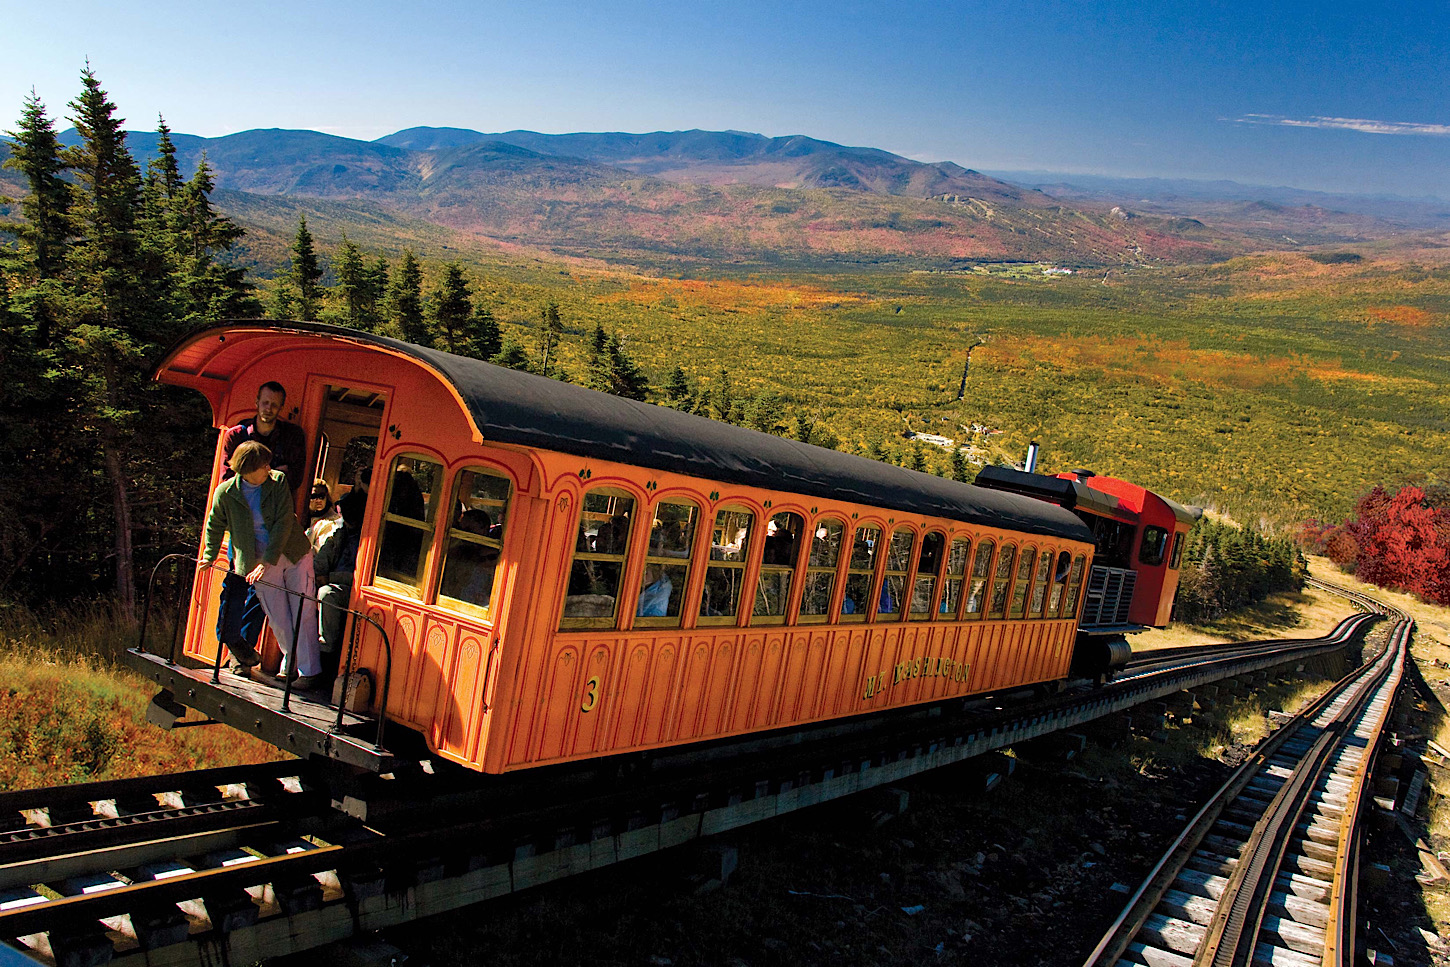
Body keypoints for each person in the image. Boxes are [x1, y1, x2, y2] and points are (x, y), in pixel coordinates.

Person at [203, 441, 323, 690]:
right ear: (247, 468)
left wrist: (267, 561)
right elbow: (214, 525)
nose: (269, 467)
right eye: (263, 464)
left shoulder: (277, 481)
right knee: (278, 617)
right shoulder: (225, 493)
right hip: (257, 562)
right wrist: (209, 555)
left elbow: (283, 523)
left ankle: (309, 672)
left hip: (293, 554)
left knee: (303, 609)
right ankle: (290, 666)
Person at [214, 381, 309, 668]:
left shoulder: (292, 437)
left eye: (275, 405)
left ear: (281, 407)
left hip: (274, 528)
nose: (269, 409)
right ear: (257, 401)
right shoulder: (237, 434)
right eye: (265, 403)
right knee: (235, 584)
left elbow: (296, 479)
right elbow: (226, 479)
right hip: (242, 527)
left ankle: (242, 653)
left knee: (261, 589)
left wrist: (266, 477)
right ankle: (232, 641)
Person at [314, 490, 366, 687]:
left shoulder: (367, 537)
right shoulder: (341, 533)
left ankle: (325, 657)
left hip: (353, 589)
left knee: (328, 595)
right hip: (334, 582)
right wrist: (319, 570)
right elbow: (324, 556)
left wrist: (330, 577)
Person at [306, 481, 341, 548]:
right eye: (314, 496)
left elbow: (320, 551)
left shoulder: (331, 523)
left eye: (321, 496)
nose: (318, 500)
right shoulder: (303, 517)